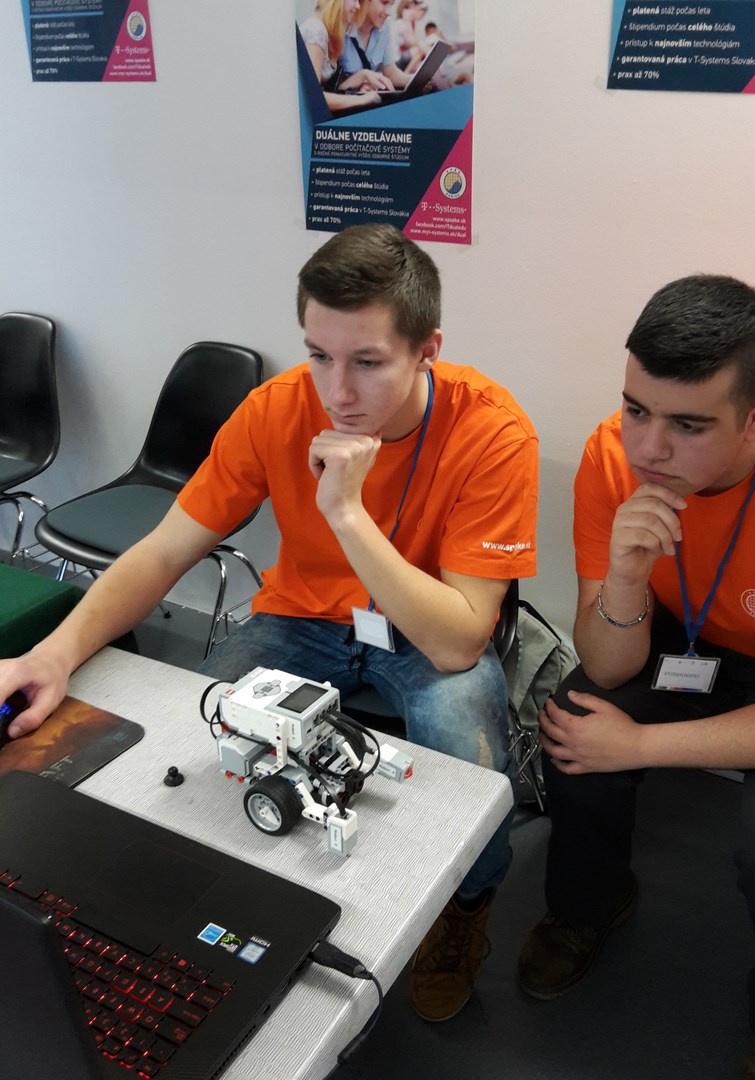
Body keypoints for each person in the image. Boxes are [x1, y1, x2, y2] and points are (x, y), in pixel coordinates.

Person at [0, 224, 538, 1025]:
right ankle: (230, 889)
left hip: (424, 632)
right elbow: (164, 551)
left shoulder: (492, 431)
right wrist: (54, 653)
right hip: (301, 620)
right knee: (202, 732)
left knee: (469, 750)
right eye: (319, 355)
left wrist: (348, 513)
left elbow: (459, 639)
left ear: (428, 350)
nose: (337, 390)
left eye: (367, 362)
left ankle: (466, 905)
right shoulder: (275, 409)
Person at [517, 275, 755, 1080]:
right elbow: (610, 663)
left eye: (688, 425)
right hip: (691, 642)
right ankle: (588, 904)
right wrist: (623, 577)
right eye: (636, 409)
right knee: (575, 720)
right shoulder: (610, 457)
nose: (648, 448)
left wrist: (642, 744)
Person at [298, 0, 392, 113]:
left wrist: (364, 75)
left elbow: (332, 90)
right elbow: (313, 98)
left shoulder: (333, 32)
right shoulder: (316, 31)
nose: (358, 6)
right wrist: (362, 99)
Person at [339, 0, 413, 90]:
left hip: (368, 94)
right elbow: (330, 86)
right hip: (343, 96)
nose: (388, 12)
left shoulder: (385, 27)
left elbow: (391, 73)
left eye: (391, 4)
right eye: (384, 2)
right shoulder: (342, 26)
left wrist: (416, 79)